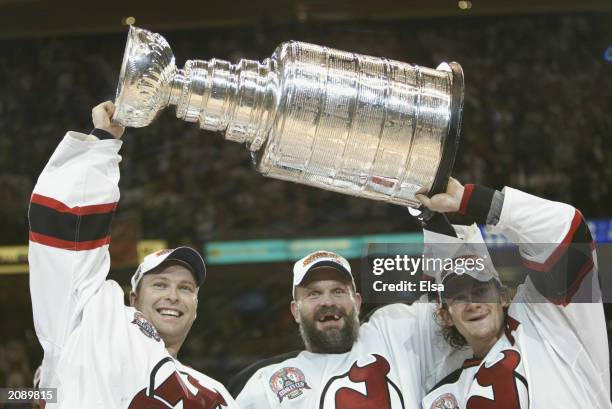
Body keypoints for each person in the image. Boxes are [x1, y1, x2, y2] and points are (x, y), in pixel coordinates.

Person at [28, 101, 238, 408]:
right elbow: (65, 238)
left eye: (185, 288)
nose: (173, 296)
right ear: (134, 300)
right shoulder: (97, 324)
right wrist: (102, 142)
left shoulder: (214, 393)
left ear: (196, 308)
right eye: (159, 284)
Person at [415, 179, 610, 408]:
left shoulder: (553, 320)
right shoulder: (442, 397)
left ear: (504, 296)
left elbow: (563, 229)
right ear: (445, 316)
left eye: (480, 289)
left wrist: (471, 199)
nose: (473, 304)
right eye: (459, 297)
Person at [233, 250, 469, 409]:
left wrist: (433, 219)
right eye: (314, 293)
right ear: (295, 311)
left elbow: (464, 285)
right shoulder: (268, 382)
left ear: (356, 303)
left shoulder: (395, 331)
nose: (327, 301)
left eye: (338, 291)